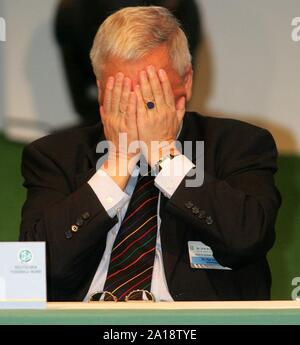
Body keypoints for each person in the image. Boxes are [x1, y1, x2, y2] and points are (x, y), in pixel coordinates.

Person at [20, 6, 281, 302]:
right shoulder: (55, 155)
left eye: (151, 92)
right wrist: (118, 163)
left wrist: (164, 155)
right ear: (100, 91)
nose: (137, 108)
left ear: (186, 82)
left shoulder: (238, 144)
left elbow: (247, 239)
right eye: (121, 93)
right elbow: (36, 268)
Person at [54, 0, 202, 126]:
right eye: (121, 89)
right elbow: (81, 100)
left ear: (186, 81)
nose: (136, 108)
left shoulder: (216, 143)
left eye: (154, 84)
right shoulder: (60, 153)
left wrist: (162, 150)